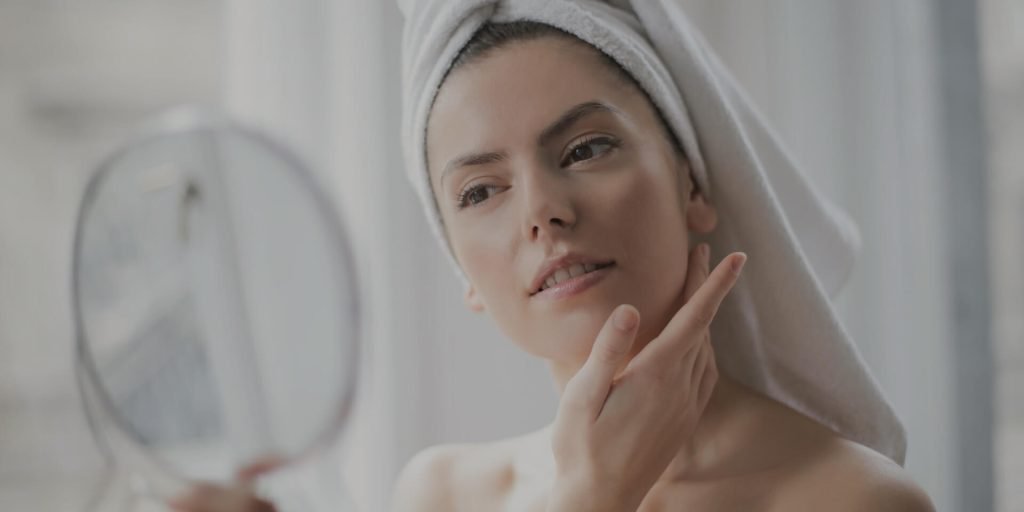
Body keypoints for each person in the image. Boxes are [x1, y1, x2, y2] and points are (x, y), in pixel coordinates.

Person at [170, 2, 936, 511]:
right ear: (462, 271)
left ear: (694, 184)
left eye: (586, 148)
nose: (542, 210)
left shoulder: (855, 501)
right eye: (480, 191)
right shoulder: (442, 496)